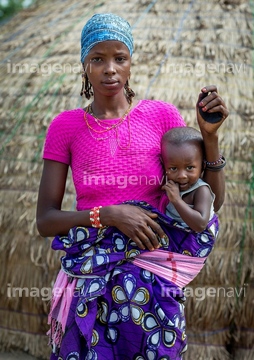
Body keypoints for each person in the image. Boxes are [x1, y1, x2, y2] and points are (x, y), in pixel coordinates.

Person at [36, 13, 229, 360]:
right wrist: (108, 215)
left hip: (152, 282)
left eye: (119, 58)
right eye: (98, 58)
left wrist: (210, 140)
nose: (109, 68)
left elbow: (209, 204)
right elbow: (46, 220)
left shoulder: (161, 117)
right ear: (85, 65)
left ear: (130, 64)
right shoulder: (65, 127)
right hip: (92, 276)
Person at [160, 126, 221, 232]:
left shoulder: (201, 190)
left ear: (202, 165)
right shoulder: (170, 184)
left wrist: (176, 200)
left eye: (189, 168)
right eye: (173, 168)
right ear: (163, 164)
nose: (182, 175)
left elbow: (200, 225)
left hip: (195, 242)